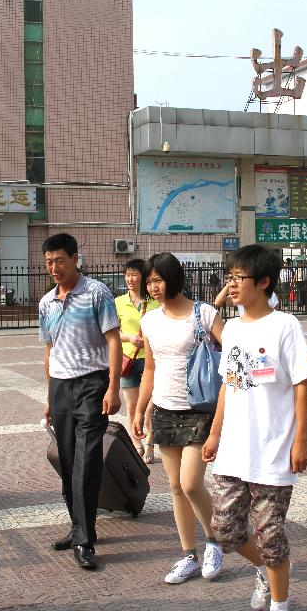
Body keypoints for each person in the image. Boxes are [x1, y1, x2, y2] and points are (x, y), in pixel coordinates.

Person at [202, 244, 307, 611]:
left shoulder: (285, 325)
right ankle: (267, 569)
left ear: (264, 282)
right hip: (234, 449)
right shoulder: (233, 328)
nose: (232, 285)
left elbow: (302, 384)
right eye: (229, 277)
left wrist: (300, 440)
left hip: (273, 450)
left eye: (239, 278)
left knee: (270, 534)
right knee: (225, 531)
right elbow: (228, 384)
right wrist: (215, 433)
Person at [131, 253, 226, 585]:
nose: (152, 287)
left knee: (190, 483)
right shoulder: (149, 321)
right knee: (175, 488)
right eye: (149, 282)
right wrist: (140, 410)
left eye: (158, 280)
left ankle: (215, 541)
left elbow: (233, 355)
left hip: (199, 409)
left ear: (173, 279)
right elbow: (150, 369)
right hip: (164, 409)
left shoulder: (204, 313)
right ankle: (188, 555)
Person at [39, 233, 121, 571]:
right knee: (68, 458)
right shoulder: (47, 303)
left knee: (87, 460)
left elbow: (113, 340)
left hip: (92, 383)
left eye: (59, 260)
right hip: (61, 386)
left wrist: (113, 387)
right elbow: (49, 350)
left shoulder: (96, 293)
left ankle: (85, 540)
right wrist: (49, 396)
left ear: (75, 258)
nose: (54, 267)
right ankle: (78, 528)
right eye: (49, 262)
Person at [116, 258, 159, 462]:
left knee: (150, 407)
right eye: (127, 275)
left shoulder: (155, 302)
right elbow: (112, 332)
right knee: (132, 405)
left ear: (143, 277)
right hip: (128, 360)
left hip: (152, 361)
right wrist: (129, 338)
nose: (130, 279)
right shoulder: (118, 302)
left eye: (134, 274)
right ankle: (137, 443)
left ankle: (150, 442)